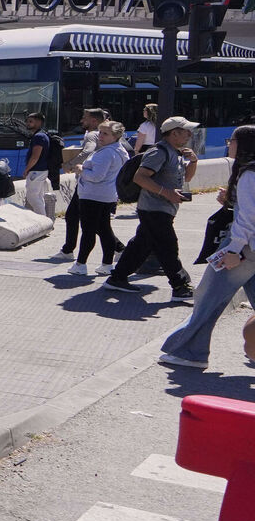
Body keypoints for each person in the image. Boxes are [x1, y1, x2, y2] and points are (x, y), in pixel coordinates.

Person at [160, 126, 255, 368]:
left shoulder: (249, 175)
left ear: (243, 145)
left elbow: (247, 220)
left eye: (232, 140)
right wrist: (231, 202)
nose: (229, 144)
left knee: (208, 299)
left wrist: (233, 251)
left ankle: (190, 352)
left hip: (244, 249)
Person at [107, 117, 199, 300]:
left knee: (141, 245)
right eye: (186, 131)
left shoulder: (176, 153)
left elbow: (186, 179)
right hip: (154, 209)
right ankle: (180, 286)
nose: (189, 135)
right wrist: (167, 193)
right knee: (168, 246)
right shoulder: (159, 152)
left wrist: (193, 162)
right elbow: (140, 177)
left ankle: (117, 278)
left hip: (163, 208)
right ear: (174, 133)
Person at [66, 120, 128, 276]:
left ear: (115, 136)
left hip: (92, 196)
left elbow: (96, 176)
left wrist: (81, 169)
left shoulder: (106, 153)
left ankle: (81, 264)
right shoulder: (120, 151)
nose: (100, 136)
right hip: (108, 195)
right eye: (100, 132)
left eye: (105, 133)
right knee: (105, 229)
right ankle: (107, 264)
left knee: (88, 231)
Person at [21, 111, 56, 221]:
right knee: (38, 197)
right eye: (27, 121)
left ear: (39, 122)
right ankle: (44, 221)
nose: (27, 124)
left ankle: (44, 221)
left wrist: (27, 169)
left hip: (36, 171)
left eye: (30, 121)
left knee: (32, 197)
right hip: (41, 170)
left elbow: (35, 156)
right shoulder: (42, 135)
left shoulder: (39, 136)